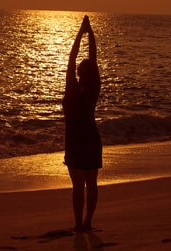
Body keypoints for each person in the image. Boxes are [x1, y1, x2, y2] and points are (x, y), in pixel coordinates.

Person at [62, 15, 102, 232]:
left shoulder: (71, 88)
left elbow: (71, 57)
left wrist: (81, 33)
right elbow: (93, 58)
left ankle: (79, 224)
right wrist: (91, 32)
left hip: (76, 142)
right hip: (91, 139)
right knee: (91, 184)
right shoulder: (94, 89)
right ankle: (87, 222)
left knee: (78, 186)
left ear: (78, 74)